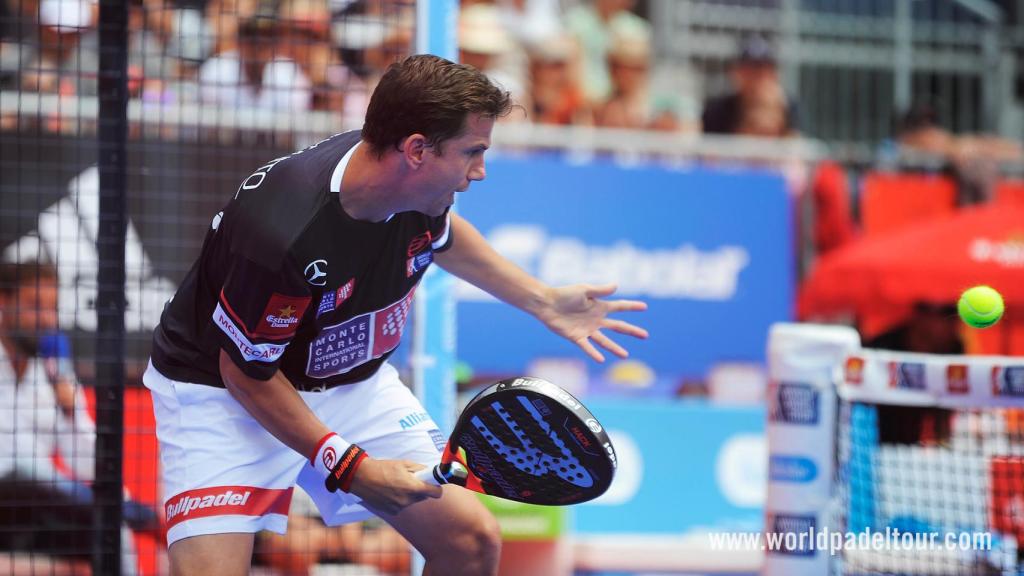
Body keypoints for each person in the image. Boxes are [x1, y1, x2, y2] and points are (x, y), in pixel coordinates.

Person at [145, 53, 648, 576]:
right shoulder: (283, 231)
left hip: (350, 383)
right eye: (473, 153)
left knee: (471, 541)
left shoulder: (416, 190)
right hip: (223, 392)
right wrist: (349, 465)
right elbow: (244, 373)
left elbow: (443, 238)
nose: (481, 172)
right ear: (415, 150)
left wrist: (541, 299)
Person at [0, 260, 159, 575]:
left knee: (113, 531)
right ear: (3, 304)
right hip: (12, 493)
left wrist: (72, 411)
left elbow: (87, 463)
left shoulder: (52, 367)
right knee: (40, 480)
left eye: (52, 308)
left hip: (36, 511)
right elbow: (14, 463)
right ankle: (131, 512)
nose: (47, 319)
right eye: (35, 306)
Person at [701, 33, 799, 137]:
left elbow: (795, 144)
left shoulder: (787, 106)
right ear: (735, 72)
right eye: (749, 69)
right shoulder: (716, 110)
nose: (756, 77)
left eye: (762, 69)